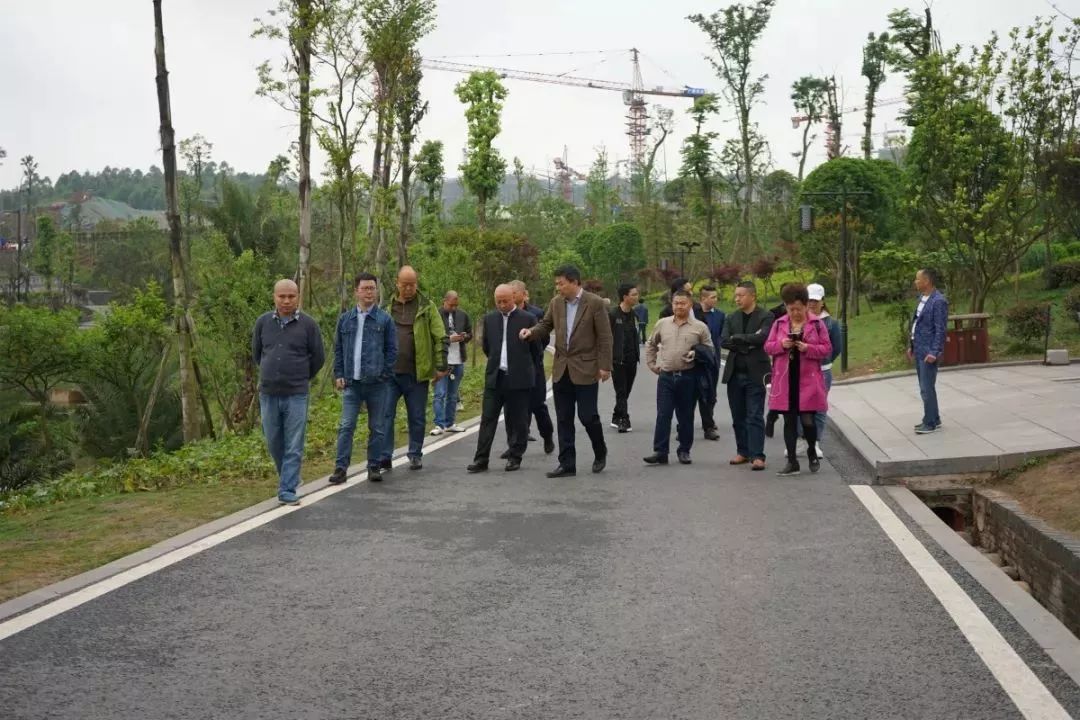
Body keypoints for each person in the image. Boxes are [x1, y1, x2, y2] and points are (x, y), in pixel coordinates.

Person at [520, 265, 613, 477]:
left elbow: (605, 338)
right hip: (562, 368)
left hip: (586, 367)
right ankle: (567, 463)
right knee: (563, 418)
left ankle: (600, 450)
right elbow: (545, 325)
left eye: (560, 283)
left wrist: (605, 366)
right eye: (556, 284)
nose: (558, 288)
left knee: (588, 416)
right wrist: (530, 332)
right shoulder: (556, 303)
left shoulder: (594, 303)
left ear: (574, 282)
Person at [252, 279, 325, 505]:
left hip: (296, 393)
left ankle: (287, 489)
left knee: (294, 443)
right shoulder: (263, 323)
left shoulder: (309, 325)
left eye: (291, 296)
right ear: (274, 297)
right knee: (274, 440)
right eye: (282, 296)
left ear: (298, 297)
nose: (286, 301)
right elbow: (257, 354)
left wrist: (301, 377)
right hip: (269, 393)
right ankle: (290, 477)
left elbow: (318, 358)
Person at [330, 272, 397, 485]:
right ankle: (341, 468)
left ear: (377, 291)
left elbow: (392, 350)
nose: (369, 292)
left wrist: (384, 374)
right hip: (352, 382)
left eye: (372, 288)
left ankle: (374, 466)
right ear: (356, 291)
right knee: (346, 425)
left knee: (377, 427)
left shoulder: (385, 320)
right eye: (365, 288)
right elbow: (338, 349)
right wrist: (339, 373)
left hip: (377, 384)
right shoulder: (345, 319)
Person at [379, 265, 448, 472]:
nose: (409, 288)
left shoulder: (427, 307)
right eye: (405, 284)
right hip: (390, 374)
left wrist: (440, 366)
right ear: (397, 283)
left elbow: (440, 336)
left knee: (417, 416)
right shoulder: (386, 307)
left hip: (417, 374)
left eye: (412, 284)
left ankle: (415, 453)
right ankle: (384, 455)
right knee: (385, 415)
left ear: (416, 284)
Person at [467, 285, 542, 473]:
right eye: (498, 301)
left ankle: (515, 456)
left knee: (519, 420)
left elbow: (537, 352)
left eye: (505, 301)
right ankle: (481, 459)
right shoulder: (490, 319)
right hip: (496, 377)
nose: (501, 305)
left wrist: (525, 369)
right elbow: (486, 347)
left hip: (519, 379)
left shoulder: (528, 319)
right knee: (487, 419)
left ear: (514, 298)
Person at [764, 283, 832, 476]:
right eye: (790, 308)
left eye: (798, 308)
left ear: (805, 305)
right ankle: (792, 461)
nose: (794, 312)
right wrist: (781, 345)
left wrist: (808, 348)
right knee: (789, 421)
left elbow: (827, 349)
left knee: (808, 420)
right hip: (785, 379)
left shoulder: (817, 324)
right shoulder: (779, 324)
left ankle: (811, 449)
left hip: (807, 380)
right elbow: (768, 347)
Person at [644, 290, 714, 466]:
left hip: (688, 377)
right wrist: (652, 364)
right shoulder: (662, 323)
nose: (679, 306)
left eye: (682, 303)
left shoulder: (700, 327)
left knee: (685, 416)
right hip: (666, 376)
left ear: (690, 304)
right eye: (676, 303)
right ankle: (660, 451)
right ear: (672, 304)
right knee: (663, 414)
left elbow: (710, 350)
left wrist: (695, 353)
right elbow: (651, 344)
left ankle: (684, 450)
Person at [720, 281, 774, 471]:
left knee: (754, 415)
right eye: (736, 295)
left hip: (756, 374)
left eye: (741, 295)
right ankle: (742, 451)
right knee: (738, 416)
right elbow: (725, 341)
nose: (737, 299)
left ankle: (758, 455)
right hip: (735, 373)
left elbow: (763, 338)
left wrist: (739, 338)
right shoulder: (731, 317)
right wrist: (746, 340)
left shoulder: (766, 316)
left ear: (752, 296)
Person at [508, 279, 555, 455]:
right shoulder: (505, 313)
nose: (511, 297)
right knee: (514, 407)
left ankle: (547, 435)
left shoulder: (535, 313)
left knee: (537, 405)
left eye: (513, 293)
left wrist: (531, 353)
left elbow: (544, 339)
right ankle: (514, 445)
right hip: (512, 368)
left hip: (533, 365)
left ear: (522, 293)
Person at [804, 283, 842, 455]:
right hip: (803, 369)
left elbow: (836, 347)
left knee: (819, 407)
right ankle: (800, 439)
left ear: (822, 301)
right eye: (809, 300)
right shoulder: (799, 319)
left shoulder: (831, 323)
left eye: (815, 301)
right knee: (801, 406)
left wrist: (824, 360)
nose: (812, 304)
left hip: (822, 370)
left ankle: (815, 442)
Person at [910, 268, 948, 434]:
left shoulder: (938, 301)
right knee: (924, 387)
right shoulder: (922, 298)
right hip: (918, 348)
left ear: (927, 281)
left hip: (928, 352)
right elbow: (916, 324)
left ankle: (930, 423)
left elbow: (940, 329)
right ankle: (934, 417)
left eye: (918, 279)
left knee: (927, 388)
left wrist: (934, 351)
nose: (915, 282)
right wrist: (911, 346)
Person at [432, 291, 472, 436]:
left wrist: (464, 337)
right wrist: (449, 339)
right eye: (451, 305)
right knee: (440, 394)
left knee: (453, 395)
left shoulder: (463, 315)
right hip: (442, 361)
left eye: (456, 305)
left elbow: (470, 333)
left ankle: (449, 423)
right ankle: (438, 424)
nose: (454, 308)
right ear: (445, 301)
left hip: (458, 359)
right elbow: (432, 337)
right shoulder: (435, 315)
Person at [695, 285, 726, 441]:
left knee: (710, 393)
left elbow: (722, 336)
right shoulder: (692, 314)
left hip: (713, 360)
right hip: (694, 360)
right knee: (692, 393)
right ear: (703, 298)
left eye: (716, 297)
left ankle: (709, 421)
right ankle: (684, 426)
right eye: (712, 297)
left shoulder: (720, 315)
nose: (715, 300)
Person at [609, 282, 640, 433]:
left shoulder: (634, 314)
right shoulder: (613, 314)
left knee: (626, 391)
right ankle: (624, 419)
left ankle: (616, 415)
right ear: (625, 297)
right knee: (621, 391)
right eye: (633, 294)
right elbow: (605, 337)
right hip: (618, 361)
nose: (636, 297)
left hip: (632, 359)